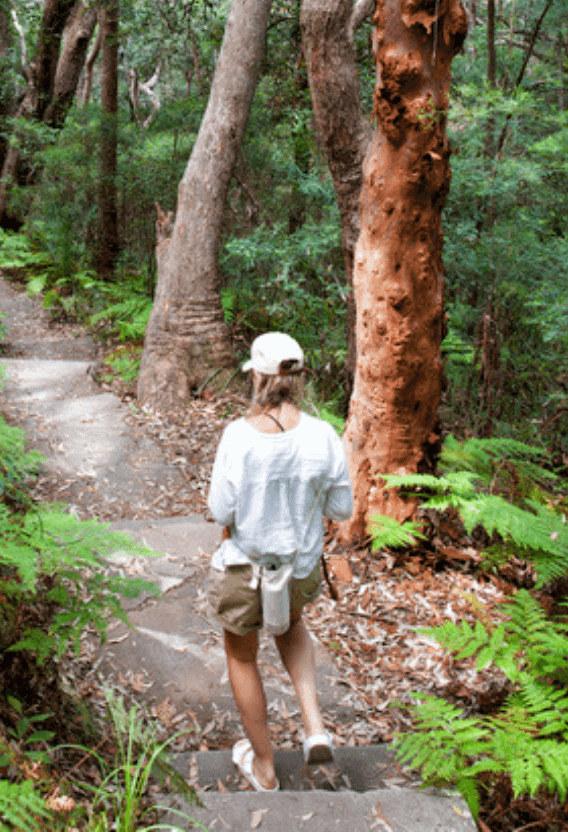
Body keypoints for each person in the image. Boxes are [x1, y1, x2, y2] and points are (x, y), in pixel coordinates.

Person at [207, 332, 353, 792]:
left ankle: (265, 767)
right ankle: (314, 729)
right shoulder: (323, 435)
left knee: (241, 654)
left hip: (247, 570)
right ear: (299, 379)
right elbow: (342, 508)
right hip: (301, 570)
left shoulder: (238, 437)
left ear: (259, 379)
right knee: (291, 626)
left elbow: (220, 511)